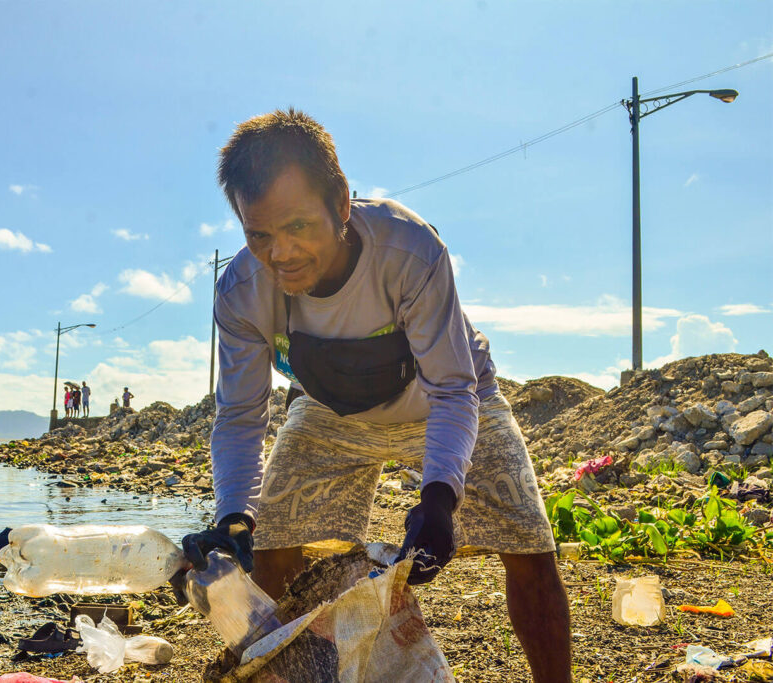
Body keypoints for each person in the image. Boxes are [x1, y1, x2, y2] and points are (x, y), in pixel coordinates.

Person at [179, 109, 571, 682]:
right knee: (272, 540)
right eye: (258, 234)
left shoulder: (409, 251)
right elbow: (241, 414)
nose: (280, 254)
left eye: (298, 227)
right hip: (328, 408)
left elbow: (453, 388)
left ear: (340, 204)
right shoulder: (240, 293)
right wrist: (235, 514)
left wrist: (439, 497)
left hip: (449, 397)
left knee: (529, 540)